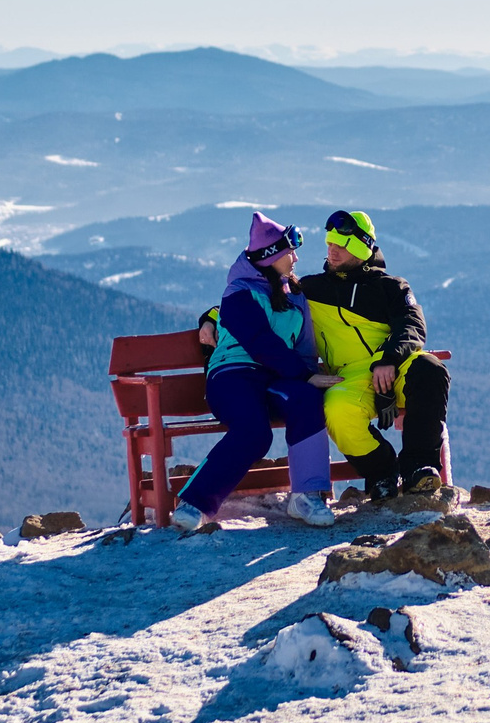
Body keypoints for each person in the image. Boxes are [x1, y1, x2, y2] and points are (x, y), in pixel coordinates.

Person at [176, 212, 337, 531]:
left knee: (305, 399)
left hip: (275, 378)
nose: (295, 258)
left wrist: (306, 376)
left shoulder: (295, 295)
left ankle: (306, 495)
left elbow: (303, 347)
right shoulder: (238, 294)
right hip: (232, 377)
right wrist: (304, 374)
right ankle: (194, 502)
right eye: (288, 253)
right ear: (269, 258)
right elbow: (259, 341)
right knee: (255, 432)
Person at [299, 208, 451, 500]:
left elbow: (412, 325)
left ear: (362, 247)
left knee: (431, 370)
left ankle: (419, 469)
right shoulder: (310, 289)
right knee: (338, 412)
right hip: (349, 376)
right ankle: (382, 470)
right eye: (330, 244)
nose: (332, 251)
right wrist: (212, 318)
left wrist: (389, 360)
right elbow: (257, 302)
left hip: (396, 366)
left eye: (341, 245)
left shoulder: (391, 287)